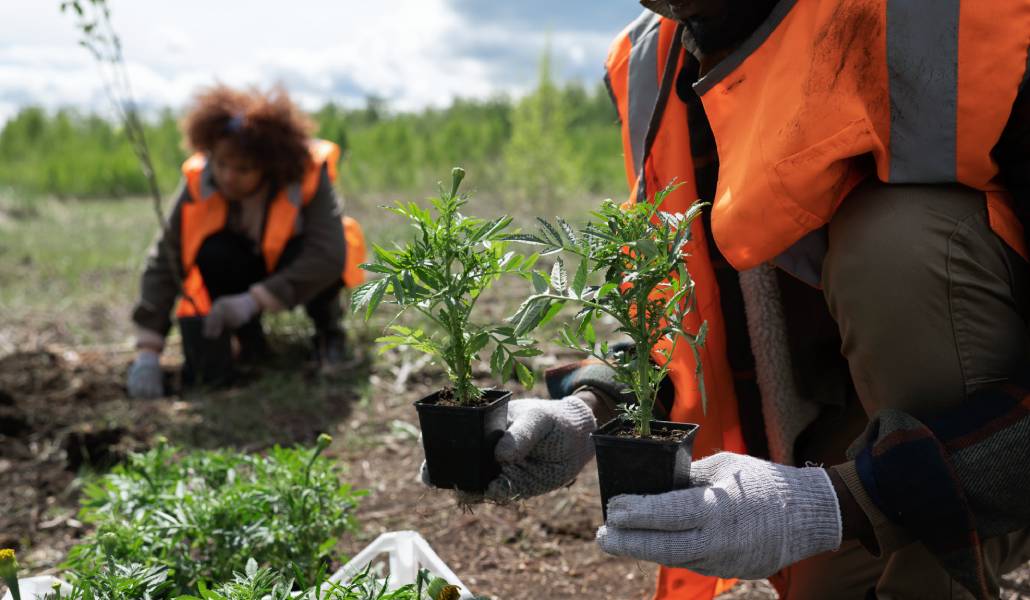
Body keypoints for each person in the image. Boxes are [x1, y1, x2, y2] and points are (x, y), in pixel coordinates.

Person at [440, 1, 1030, 599]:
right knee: (830, 586)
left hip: (997, 425)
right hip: (860, 425)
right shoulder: (653, 59)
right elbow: (684, 313)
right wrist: (591, 407)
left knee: (896, 245)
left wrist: (847, 500)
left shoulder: (964, 18)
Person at [126, 85, 365, 399]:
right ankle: (251, 345)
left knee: (321, 256)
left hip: (295, 269)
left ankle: (329, 335)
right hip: (245, 265)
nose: (228, 176)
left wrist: (253, 301)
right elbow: (165, 259)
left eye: (243, 169)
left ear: (268, 166)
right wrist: (148, 351)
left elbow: (328, 253)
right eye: (222, 164)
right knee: (214, 252)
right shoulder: (201, 179)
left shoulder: (304, 173)